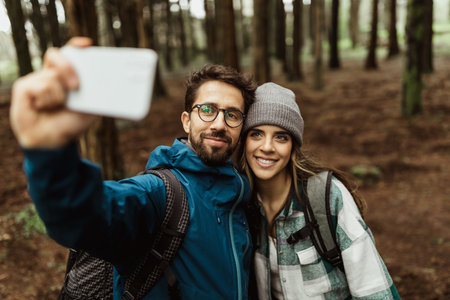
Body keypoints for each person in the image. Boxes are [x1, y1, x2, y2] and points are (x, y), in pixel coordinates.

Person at [9, 37, 257, 299]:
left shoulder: (243, 198)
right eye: (207, 109)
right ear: (186, 121)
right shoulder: (158, 195)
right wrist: (50, 151)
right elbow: (83, 216)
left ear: (241, 127)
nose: (219, 123)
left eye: (232, 114)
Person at [238, 82, 400, 299]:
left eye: (281, 137)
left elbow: (373, 289)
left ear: (293, 146)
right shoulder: (240, 205)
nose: (267, 146)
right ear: (243, 141)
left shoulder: (327, 197)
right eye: (256, 134)